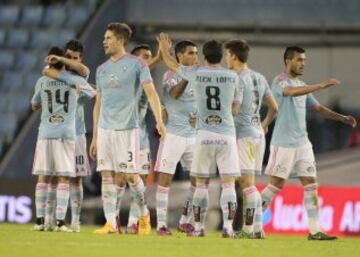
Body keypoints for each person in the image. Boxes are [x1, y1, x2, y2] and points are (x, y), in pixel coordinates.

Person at [261, 46, 357, 240]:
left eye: (304, 60)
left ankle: (315, 230)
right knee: (276, 185)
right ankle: (250, 223)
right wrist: (320, 86)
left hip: (303, 144)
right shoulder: (280, 81)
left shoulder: (302, 84)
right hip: (284, 144)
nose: (303, 63)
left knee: (311, 184)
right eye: (299, 60)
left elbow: (319, 108)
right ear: (288, 61)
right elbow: (290, 92)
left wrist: (342, 118)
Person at [158, 33, 241, 238]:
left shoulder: (198, 73)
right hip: (226, 134)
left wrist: (163, 51)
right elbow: (236, 109)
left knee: (201, 184)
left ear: (204, 56)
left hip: (202, 135)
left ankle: (198, 227)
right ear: (221, 56)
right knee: (228, 184)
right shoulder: (234, 76)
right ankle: (228, 228)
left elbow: (171, 63)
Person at [89, 23, 165, 235]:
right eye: (104, 37)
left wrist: (159, 120)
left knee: (131, 176)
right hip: (105, 129)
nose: (104, 41)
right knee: (106, 175)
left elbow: (151, 93)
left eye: (108, 37)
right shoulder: (101, 69)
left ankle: (144, 214)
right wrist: (95, 136)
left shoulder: (137, 64)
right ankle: (111, 223)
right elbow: (98, 104)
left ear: (120, 40)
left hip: (127, 128)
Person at [32, 46, 95, 232]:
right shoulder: (74, 80)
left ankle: (71, 220)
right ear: (63, 58)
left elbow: (35, 104)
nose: (73, 61)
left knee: (72, 179)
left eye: (76, 58)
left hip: (74, 133)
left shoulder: (76, 77)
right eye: (69, 57)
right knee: (60, 178)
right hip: (66, 134)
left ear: (81, 59)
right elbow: (97, 95)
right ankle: (54, 220)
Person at [224, 39, 278, 238]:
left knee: (246, 184)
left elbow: (235, 109)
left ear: (234, 56)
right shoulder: (259, 77)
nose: (225, 60)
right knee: (249, 183)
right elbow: (274, 107)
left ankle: (249, 229)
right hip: (257, 135)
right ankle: (258, 228)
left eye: (227, 55)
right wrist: (263, 125)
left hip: (244, 135)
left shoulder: (236, 78)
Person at [154, 40, 199, 236]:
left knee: (198, 182)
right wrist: (187, 76)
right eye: (191, 53)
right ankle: (161, 225)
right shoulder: (169, 75)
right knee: (165, 179)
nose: (195, 57)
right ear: (180, 56)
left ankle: (184, 221)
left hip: (193, 136)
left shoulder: (199, 75)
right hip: (173, 135)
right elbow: (174, 94)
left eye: (196, 53)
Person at [126, 44, 161, 234]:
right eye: (145, 57)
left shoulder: (146, 79)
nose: (149, 60)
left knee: (140, 180)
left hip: (142, 138)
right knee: (121, 179)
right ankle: (113, 222)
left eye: (150, 57)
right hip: (123, 136)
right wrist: (159, 57)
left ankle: (133, 221)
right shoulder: (128, 78)